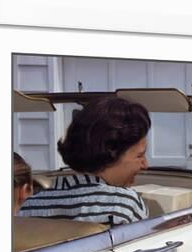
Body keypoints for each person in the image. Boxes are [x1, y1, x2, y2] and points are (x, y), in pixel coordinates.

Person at [18, 97, 150, 226]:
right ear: (112, 152)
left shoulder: (28, 206)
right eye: (139, 156)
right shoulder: (124, 204)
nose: (145, 164)